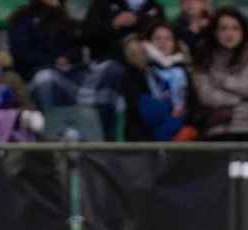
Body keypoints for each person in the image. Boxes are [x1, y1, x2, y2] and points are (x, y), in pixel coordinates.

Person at [82, 0, 167, 137]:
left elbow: (163, 38)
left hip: (146, 70)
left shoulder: (154, 7)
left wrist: (139, 27)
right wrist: (113, 24)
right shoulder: (101, 4)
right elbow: (86, 35)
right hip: (109, 69)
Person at [193, 7, 248, 141]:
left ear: (243, 32)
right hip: (218, 131)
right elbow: (206, 96)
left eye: (235, 28)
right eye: (223, 28)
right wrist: (241, 100)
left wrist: (224, 81)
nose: (229, 34)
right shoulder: (205, 59)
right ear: (215, 32)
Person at [122, 21, 199, 141]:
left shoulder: (183, 71)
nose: (163, 42)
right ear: (147, 43)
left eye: (168, 39)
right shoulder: (137, 71)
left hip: (181, 138)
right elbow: (136, 107)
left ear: (175, 44)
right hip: (145, 138)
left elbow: (193, 105)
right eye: (157, 38)